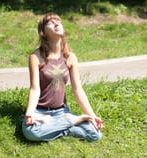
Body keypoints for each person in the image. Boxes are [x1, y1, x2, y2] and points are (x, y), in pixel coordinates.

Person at [22, 13, 103, 142]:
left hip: (61, 111)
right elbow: (34, 88)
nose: (56, 23)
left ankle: (56, 126)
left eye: (58, 21)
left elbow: (78, 90)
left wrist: (92, 115)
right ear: (43, 32)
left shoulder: (70, 57)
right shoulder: (36, 57)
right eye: (50, 22)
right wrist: (30, 113)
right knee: (31, 133)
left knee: (95, 134)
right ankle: (69, 123)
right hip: (41, 112)